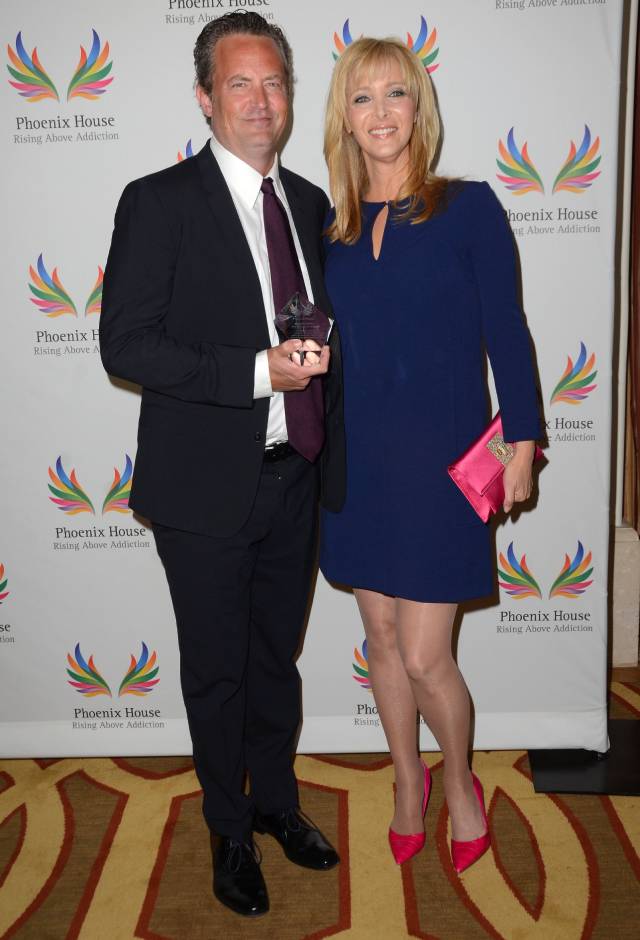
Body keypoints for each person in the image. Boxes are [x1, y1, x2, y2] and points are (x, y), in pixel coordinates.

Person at [100, 11, 342, 919]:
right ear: (205, 98)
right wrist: (254, 372)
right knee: (217, 670)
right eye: (240, 83)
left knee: (276, 658)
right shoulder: (158, 202)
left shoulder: (310, 205)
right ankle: (229, 828)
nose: (260, 100)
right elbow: (126, 344)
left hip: (295, 474)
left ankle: (275, 802)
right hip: (203, 490)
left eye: (273, 82)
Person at [320, 37, 541, 873]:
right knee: (380, 639)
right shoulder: (332, 229)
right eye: (362, 97)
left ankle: (457, 780)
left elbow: (507, 332)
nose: (380, 112)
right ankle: (407, 781)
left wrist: (523, 441)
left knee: (424, 654)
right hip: (356, 463)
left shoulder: (469, 207)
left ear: (419, 107)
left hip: (443, 465)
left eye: (395, 93)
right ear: (344, 118)